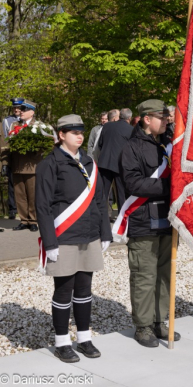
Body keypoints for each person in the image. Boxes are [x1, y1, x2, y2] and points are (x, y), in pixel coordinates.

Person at [35, 114, 112, 363]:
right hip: (64, 236)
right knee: (64, 291)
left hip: (88, 235)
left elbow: (100, 200)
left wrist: (105, 232)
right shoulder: (50, 164)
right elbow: (43, 206)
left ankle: (84, 337)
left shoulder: (89, 162)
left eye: (81, 131)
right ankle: (61, 342)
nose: (79, 135)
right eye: (73, 131)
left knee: (84, 289)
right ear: (61, 135)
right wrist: (50, 242)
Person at [119, 99, 181, 348]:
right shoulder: (131, 147)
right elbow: (133, 183)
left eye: (167, 116)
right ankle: (143, 326)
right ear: (146, 119)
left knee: (165, 274)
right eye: (162, 116)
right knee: (145, 275)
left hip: (168, 219)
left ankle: (159, 321)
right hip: (144, 220)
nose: (167, 120)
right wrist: (170, 186)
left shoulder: (167, 145)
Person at [8, 100, 42, 231]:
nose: (20, 111)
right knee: (20, 195)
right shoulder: (14, 125)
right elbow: (9, 146)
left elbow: (46, 145)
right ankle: (24, 220)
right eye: (20, 109)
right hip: (17, 165)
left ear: (32, 112)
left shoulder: (38, 126)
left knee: (33, 195)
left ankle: (33, 220)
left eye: (24, 109)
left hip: (32, 165)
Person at [98, 108, 133, 213]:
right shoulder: (130, 129)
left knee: (103, 193)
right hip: (120, 165)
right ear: (129, 118)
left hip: (104, 163)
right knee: (121, 193)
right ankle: (121, 219)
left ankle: (100, 217)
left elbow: (100, 144)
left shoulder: (107, 126)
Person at [2, 97, 23, 219]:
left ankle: (25, 209)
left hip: (26, 157)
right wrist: (5, 162)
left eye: (18, 108)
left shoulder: (28, 120)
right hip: (12, 155)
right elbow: (5, 140)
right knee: (11, 183)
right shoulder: (7, 120)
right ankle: (12, 209)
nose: (16, 110)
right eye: (14, 107)